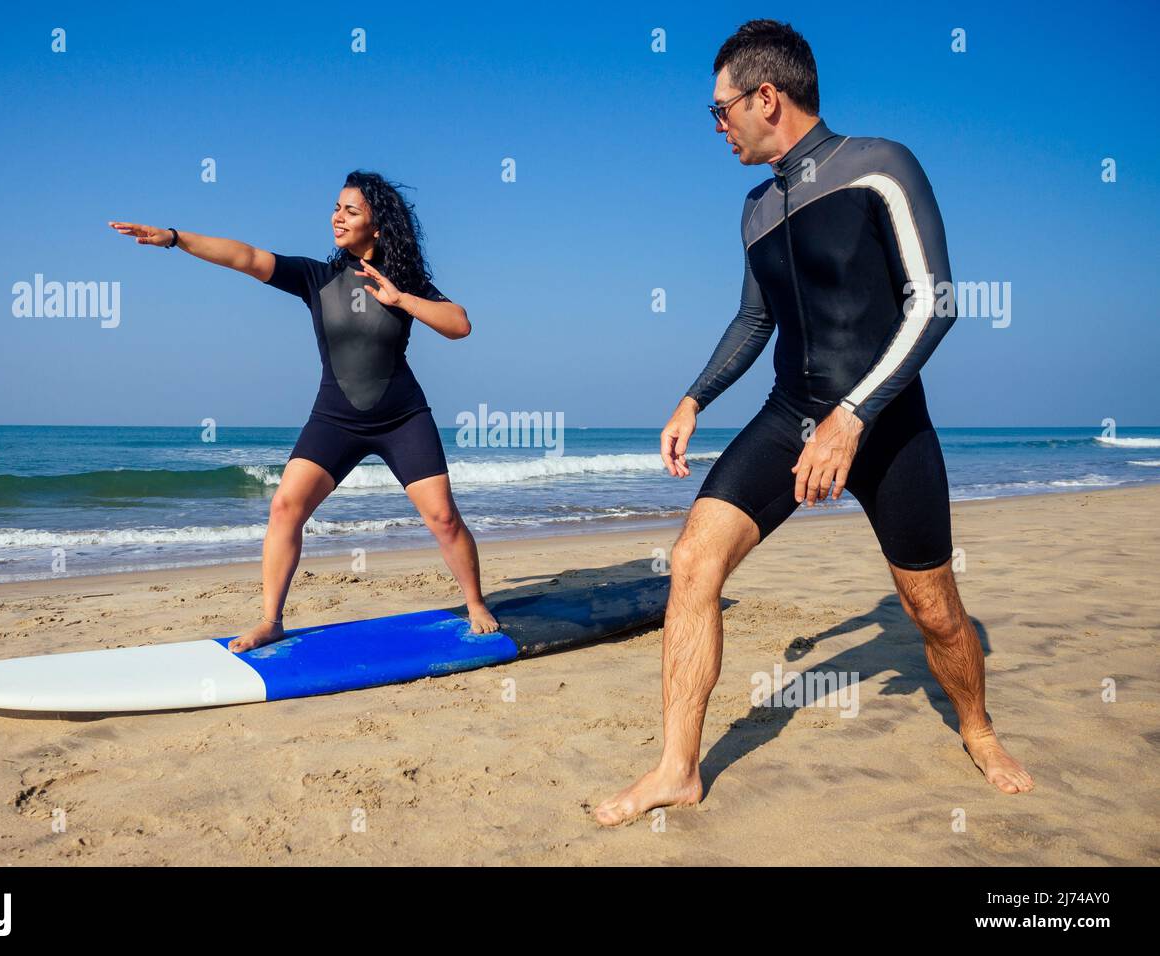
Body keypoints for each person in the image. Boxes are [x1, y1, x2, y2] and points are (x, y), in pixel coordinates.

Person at [594, 20, 1033, 826]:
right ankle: (676, 769)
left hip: (887, 420)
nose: (716, 127)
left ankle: (977, 726)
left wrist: (854, 415)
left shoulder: (880, 167)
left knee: (931, 608)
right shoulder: (756, 210)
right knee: (693, 562)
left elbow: (935, 303)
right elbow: (754, 320)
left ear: (768, 97)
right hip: (789, 415)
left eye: (719, 110)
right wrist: (695, 397)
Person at [109, 170, 499, 651]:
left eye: (351, 210)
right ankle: (271, 620)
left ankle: (476, 601)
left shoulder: (406, 282)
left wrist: (401, 298)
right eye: (336, 207)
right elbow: (247, 257)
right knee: (285, 506)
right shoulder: (317, 277)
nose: (338, 216)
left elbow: (460, 324)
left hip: (402, 416)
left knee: (442, 518)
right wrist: (174, 238)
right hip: (335, 418)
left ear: (378, 225)